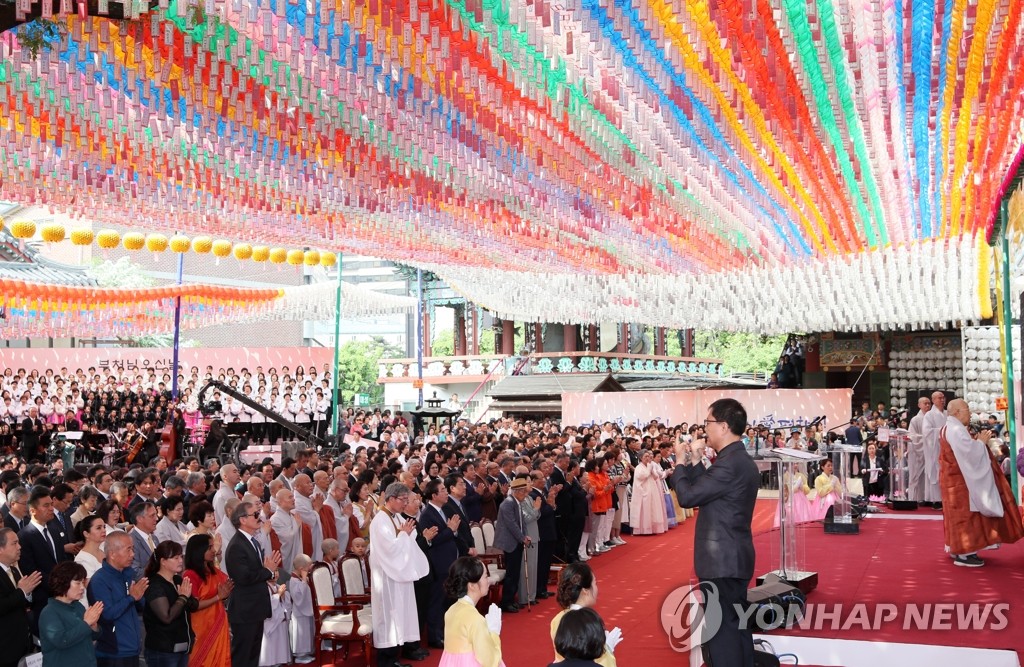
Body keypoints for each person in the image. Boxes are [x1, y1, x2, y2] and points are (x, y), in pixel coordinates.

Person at [671, 398, 760, 667]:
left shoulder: (730, 463)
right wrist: (697, 461)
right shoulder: (737, 459)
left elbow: (687, 496)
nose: (704, 428)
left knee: (722, 635)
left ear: (723, 426)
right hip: (733, 558)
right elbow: (710, 491)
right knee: (737, 629)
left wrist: (679, 462)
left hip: (722, 561)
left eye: (708, 422)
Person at [939, 399, 1024, 567]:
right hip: (961, 482)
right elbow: (969, 454)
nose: (970, 414)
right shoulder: (956, 430)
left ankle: (957, 549)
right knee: (966, 517)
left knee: (956, 516)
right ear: (956, 412)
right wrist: (981, 443)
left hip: (953, 480)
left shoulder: (948, 427)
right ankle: (965, 553)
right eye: (966, 410)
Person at [369, 482, 431, 667]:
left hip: (398, 575)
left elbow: (402, 541)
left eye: (406, 499)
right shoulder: (380, 520)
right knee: (390, 618)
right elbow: (389, 548)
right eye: (403, 500)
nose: (405, 503)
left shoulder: (394, 517)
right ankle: (386, 661)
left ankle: (394, 658)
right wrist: (404, 535)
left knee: (400, 617)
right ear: (391, 499)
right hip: (387, 577)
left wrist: (408, 535)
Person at [225, 501, 281, 667]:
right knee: (243, 656)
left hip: (255, 608)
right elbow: (244, 577)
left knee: (253, 656)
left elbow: (257, 571)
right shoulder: (236, 545)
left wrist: (270, 572)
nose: (259, 518)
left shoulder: (252, 541)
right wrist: (267, 571)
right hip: (245, 610)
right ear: (242, 519)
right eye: (255, 515)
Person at [88, 530, 149, 667]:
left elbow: (140, 606)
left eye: (132, 549)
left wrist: (138, 597)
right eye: (128, 550)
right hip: (113, 653)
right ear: (112, 554)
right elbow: (107, 614)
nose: (132, 555)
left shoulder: (128, 573)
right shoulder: (99, 581)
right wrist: (131, 597)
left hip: (132, 648)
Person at [418, 478, 463, 649]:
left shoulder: (444, 510)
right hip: (439, 564)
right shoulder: (428, 515)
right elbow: (433, 541)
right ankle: (434, 637)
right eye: (443, 490)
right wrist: (450, 530)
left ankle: (445, 633)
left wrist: (453, 530)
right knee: (437, 602)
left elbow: (450, 534)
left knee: (448, 601)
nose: (446, 493)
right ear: (434, 495)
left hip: (450, 562)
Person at [549, 563, 620, 667]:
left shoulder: (558, 618)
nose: (596, 588)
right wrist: (607, 650)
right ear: (585, 590)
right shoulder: (587, 621)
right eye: (595, 583)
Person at [437, 556, 503, 667]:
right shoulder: (475, 619)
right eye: (486, 576)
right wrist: (494, 633)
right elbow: (490, 660)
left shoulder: (451, 611)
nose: (489, 581)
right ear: (472, 585)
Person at [143, 540, 199, 667]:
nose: (180, 560)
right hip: (163, 650)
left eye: (181, 557)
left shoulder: (178, 579)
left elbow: (194, 605)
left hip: (182, 646)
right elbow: (166, 617)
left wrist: (186, 598)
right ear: (163, 561)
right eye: (175, 557)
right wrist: (183, 597)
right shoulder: (155, 585)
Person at [182, 533, 233, 667]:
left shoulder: (212, 570)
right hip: (200, 628)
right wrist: (218, 597)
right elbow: (193, 605)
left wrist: (224, 594)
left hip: (218, 623)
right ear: (199, 550)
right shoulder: (190, 574)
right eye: (209, 548)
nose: (213, 550)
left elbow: (226, 586)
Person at [38, 561, 103, 667]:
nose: (82, 587)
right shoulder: (49, 612)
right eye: (78, 583)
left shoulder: (78, 606)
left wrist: (94, 626)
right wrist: (86, 623)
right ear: (63, 582)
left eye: (83, 582)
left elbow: (92, 636)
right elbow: (62, 641)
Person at [0, 527, 41, 667]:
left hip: (23, 643)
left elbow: (24, 600)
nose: (20, 547)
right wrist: (22, 591)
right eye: (14, 543)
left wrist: (28, 593)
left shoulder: (13, 569)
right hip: (5, 648)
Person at [492, 477, 531, 613]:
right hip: (510, 543)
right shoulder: (508, 503)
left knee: (515, 573)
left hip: (517, 541)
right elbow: (512, 525)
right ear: (518, 491)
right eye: (524, 492)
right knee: (511, 573)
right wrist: (522, 538)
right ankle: (506, 602)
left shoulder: (516, 502)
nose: (526, 495)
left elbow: (522, 522)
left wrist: (525, 535)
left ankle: (511, 599)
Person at [628, 450, 668, 535]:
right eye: (645, 456)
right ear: (641, 458)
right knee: (645, 510)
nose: (647, 458)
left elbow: (656, 477)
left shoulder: (650, 465)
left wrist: (652, 471)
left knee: (652, 509)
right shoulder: (638, 467)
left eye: (648, 456)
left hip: (652, 489)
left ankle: (653, 528)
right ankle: (644, 530)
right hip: (643, 491)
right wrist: (649, 470)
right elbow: (642, 476)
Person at [907, 396, 931, 501]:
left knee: (929, 476)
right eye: (925, 403)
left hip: (931, 452)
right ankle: (915, 499)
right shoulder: (915, 419)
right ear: (919, 405)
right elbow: (912, 437)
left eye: (929, 403)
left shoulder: (932, 418)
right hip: (918, 452)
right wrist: (927, 439)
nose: (927, 405)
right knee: (916, 477)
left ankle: (927, 498)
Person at [74, 515, 107, 580]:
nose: (104, 530)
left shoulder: (105, 548)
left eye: (104, 527)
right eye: (98, 528)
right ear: (86, 534)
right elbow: (90, 586)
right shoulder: (81, 559)